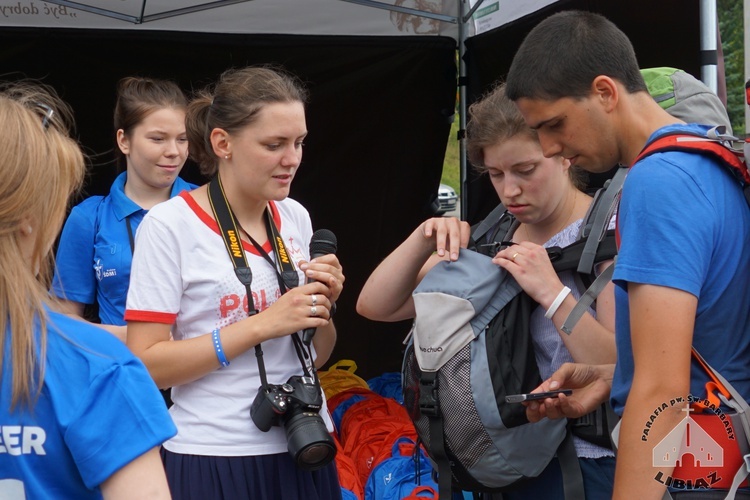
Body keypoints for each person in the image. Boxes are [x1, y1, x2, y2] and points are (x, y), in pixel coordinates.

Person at [504, 10, 750, 499]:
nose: (551, 149)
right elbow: (716, 334)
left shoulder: (656, 182)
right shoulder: (711, 156)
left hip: (693, 475)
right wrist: (614, 376)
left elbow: (664, 393)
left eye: (555, 124)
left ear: (605, 92)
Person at [357, 82, 617, 499]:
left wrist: (553, 294)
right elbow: (375, 306)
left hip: (585, 466)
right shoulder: (492, 235)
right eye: (496, 174)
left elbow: (621, 365)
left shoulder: (606, 235)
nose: (509, 190)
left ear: (565, 153)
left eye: (525, 170)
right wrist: (423, 238)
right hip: (501, 467)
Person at [124, 66, 345, 500]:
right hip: (213, 454)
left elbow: (315, 356)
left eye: (298, 142)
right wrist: (263, 324)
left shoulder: (294, 216)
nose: (292, 158)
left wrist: (322, 308)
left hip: (306, 445)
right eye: (274, 144)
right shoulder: (169, 225)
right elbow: (147, 365)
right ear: (222, 143)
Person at [0, 81, 175, 498]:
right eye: (55, 201)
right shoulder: (97, 367)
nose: (173, 150)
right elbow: (66, 315)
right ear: (30, 219)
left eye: (183, 138)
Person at [52, 76, 195, 342]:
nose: (174, 151)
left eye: (183, 139)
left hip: (200, 377)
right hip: (123, 373)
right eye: (158, 139)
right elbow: (62, 322)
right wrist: (134, 338)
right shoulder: (89, 218)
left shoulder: (208, 206)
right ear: (124, 140)